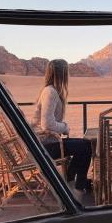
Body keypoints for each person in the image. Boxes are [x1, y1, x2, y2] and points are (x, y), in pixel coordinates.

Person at [32, 59, 92, 193]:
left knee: (86, 145)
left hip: (47, 142)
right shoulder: (50, 92)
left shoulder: (51, 90)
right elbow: (47, 124)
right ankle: (74, 184)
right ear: (62, 74)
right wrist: (65, 127)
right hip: (45, 146)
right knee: (85, 146)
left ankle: (73, 183)